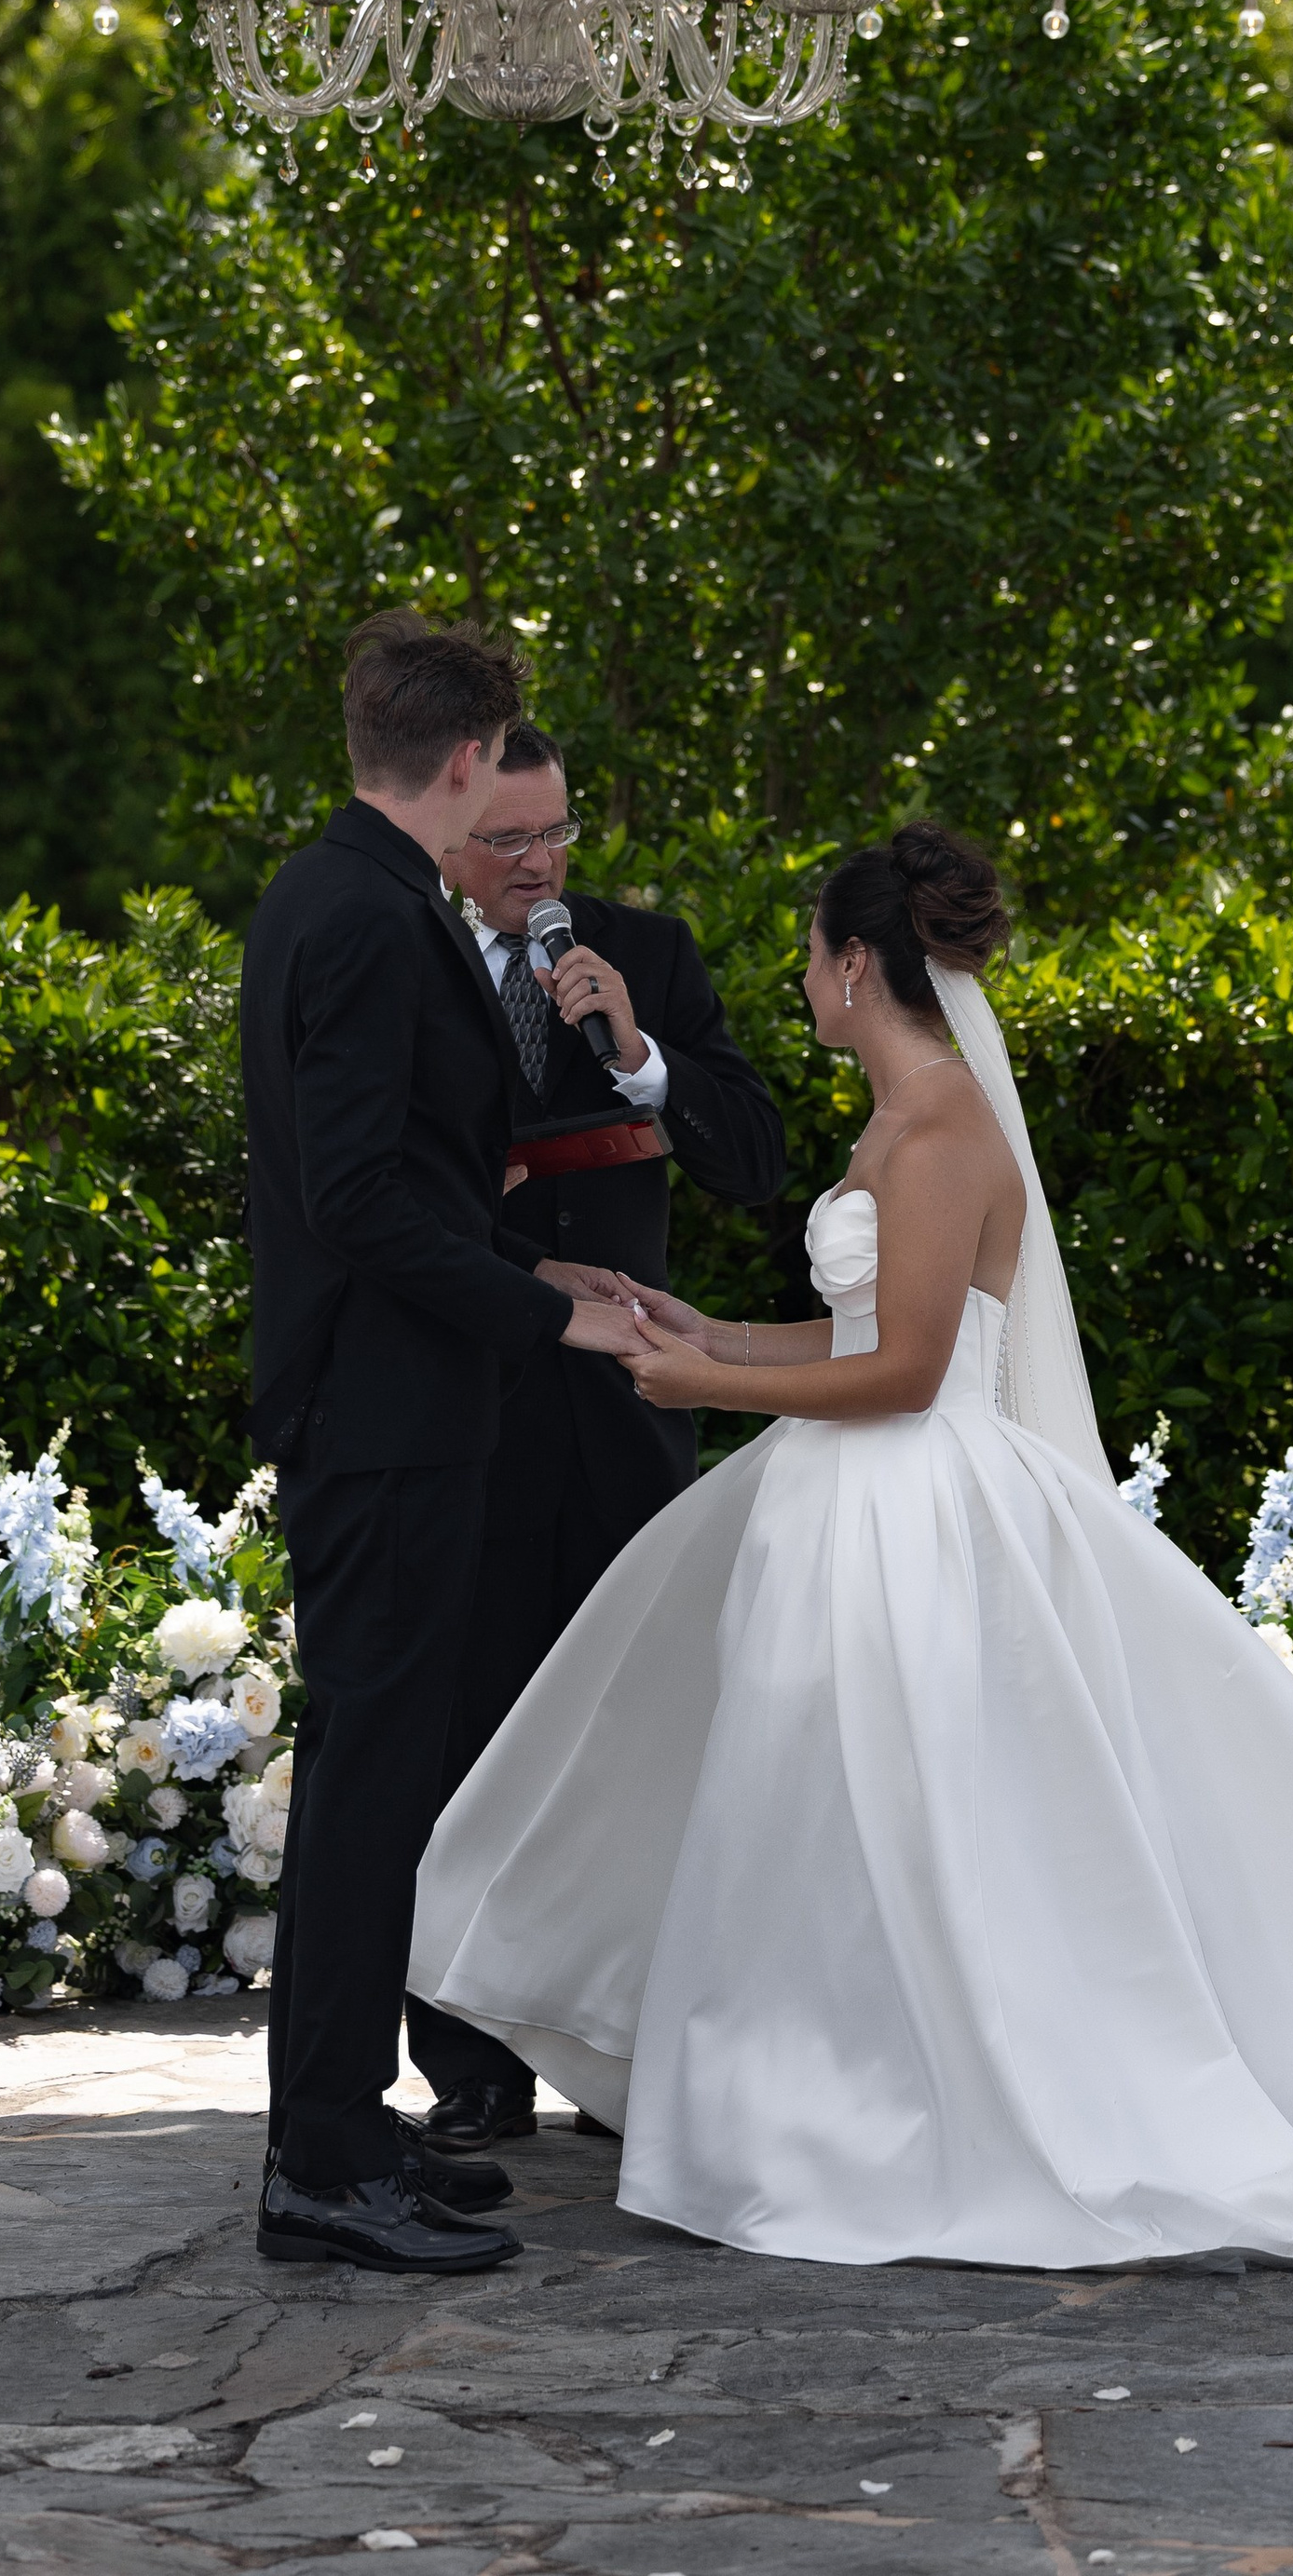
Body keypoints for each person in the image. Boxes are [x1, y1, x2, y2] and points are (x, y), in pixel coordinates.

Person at [410, 821, 1293, 2280]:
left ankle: (890, 2113)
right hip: (852, 1506)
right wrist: (709, 1329)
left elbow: (911, 1374)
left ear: (852, 964)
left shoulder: (943, 1124)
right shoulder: (894, 1120)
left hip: (920, 1510)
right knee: (816, 1816)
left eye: (810, 959)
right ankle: (806, 2097)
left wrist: (714, 1390)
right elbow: (867, 1332)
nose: (802, 987)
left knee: (902, 1815)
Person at [238, 609, 647, 2276]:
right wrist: (546, 1316)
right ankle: (323, 2157)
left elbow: (397, 1192)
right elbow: (355, 1206)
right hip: (387, 1423)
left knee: (380, 1777)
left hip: (398, 1404)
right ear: (471, 757)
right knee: (374, 1785)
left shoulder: (336, 891)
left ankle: (338, 2123)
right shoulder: (363, 916)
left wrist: (537, 1263)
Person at [407, 723, 788, 2149]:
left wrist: (639, 1052)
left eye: (557, 833)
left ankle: (623, 2049)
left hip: (631, 1423)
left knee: (637, 1737)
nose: (539, 865)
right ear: (451, 833)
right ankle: (467, 2059)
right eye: (510, 840)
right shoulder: (409, 949)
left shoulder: (648, 952)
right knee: (474, 1728)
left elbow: (757, 1162)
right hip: (475, 1411)